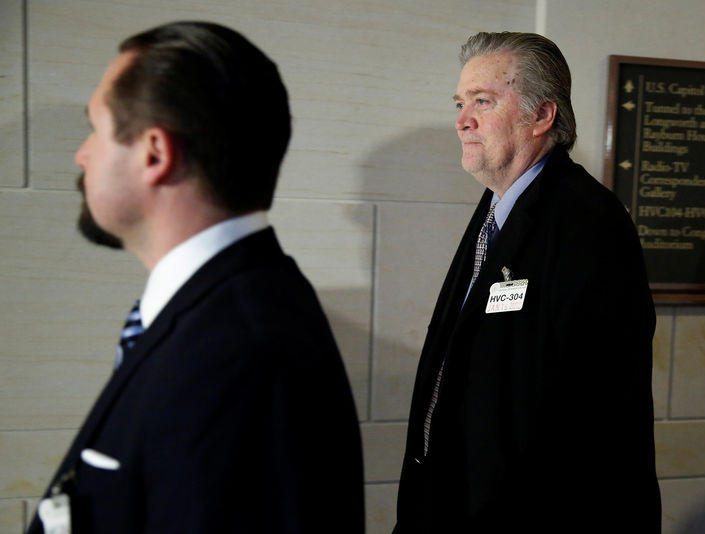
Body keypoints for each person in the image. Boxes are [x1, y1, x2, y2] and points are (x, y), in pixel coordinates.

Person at [28, 21, 364, 534]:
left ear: (154, 154)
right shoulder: (215, 314)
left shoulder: (242, 351)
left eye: (94, 127)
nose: (82, 153)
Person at [394, 32, 660, 533]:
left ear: (542, 116)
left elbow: (592, 417)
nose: (461, 120)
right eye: (460, 102)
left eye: (483, 101)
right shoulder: (495, 210)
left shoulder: (588, 224)